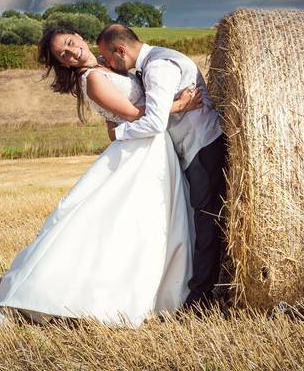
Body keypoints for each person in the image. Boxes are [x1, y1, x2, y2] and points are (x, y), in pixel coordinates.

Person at [0, 26, 203, 329]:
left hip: (153, 148)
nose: (72, 51)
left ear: (80, 38)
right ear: (64, 63)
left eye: (71, 43)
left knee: (147, 226)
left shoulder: (107, 66)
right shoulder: (94, 79)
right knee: (108, 225)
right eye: (64, 53)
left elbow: (117, 123)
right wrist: (180, 105)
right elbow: (132, 115)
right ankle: (44, 297)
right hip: (139, 148)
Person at [95, 23, 227, 310]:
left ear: (121, 50)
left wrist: (118, 133)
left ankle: (201, 300)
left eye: (107, 57)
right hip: (190, 147)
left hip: (201, 147)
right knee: (195, 220)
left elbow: (155, 121)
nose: (106, 63)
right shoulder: (153, 64)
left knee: (205, 222)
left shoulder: (159, 67)